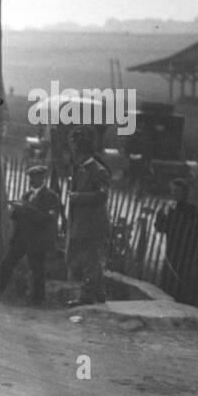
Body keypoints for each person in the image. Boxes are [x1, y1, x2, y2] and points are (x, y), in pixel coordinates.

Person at [0, 165, 60, 304]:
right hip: (20, 237)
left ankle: (38, 299)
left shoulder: (51, 197)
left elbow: (48, 219)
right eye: (30, 177)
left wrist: (27, 210)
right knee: (7, 263)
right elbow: (16, 216)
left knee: (37, 269)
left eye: (35, 177)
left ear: (42, 178)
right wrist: (15, 210)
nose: (32, 180)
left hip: (37, 239)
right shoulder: (27, 195)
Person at [66, 129, 111, 306]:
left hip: (93, 225)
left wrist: (78, 197)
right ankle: (100, 295)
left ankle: (85, 297)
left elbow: (102, 196)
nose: (73, 155)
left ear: (84, 153)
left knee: (91, 262)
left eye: (76, 152)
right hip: (81, 224)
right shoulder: (79, 170)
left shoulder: (99, 171)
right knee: (89, 261)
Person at [153, 178, 198, 306]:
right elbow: (161, 228)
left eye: (177, 191)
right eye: (172, 190)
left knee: (186, 279)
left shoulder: (191, 209)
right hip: (173, 249)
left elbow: (196, 230)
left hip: (188, 250)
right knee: (171, 278)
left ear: (185, 192)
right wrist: (160, 215)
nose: (174, 193)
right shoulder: (170, 207)